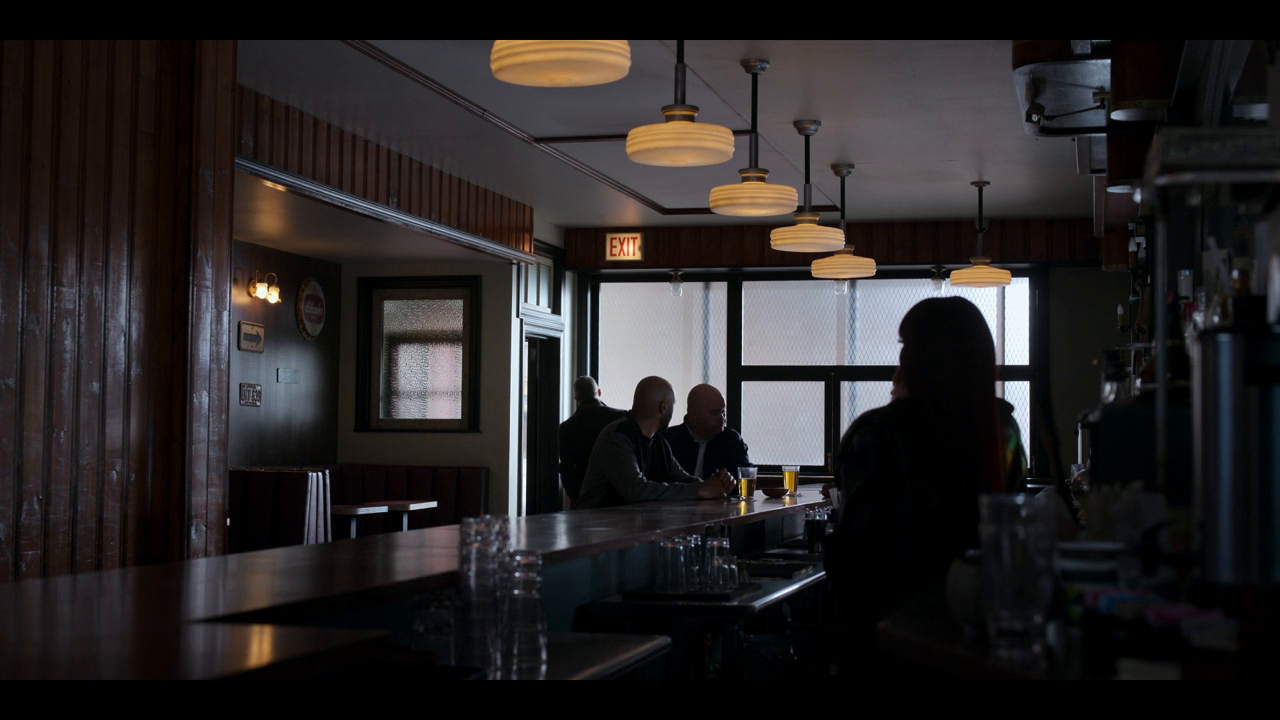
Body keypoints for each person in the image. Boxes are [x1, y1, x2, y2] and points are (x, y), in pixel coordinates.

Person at [822, 297, 1020, 676]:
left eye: (905, 346)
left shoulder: (878, 433)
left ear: (916, 359)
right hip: (977, 634)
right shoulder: (1003, 429)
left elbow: (855, 563)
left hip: (889, 640)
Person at [576, 376, 735, 509]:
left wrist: (715, 485)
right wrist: (699, 490)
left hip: (629, 527)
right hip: (594, 528)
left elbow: (681, 478)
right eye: (673, 405)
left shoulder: (658, 442)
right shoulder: (616, 437)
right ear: (663, 407)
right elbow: (636, 490)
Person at [558, 376, 627, 506]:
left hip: (586, 496)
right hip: (619, 494)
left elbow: (566, 469)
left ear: (577, 399)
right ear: (599, 392)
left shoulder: (566, 428)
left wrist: (578, 498)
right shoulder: (620, 418)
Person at [660, 384, 750, 480]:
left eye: (723, 412)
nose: (722, 419)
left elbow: (746, 474)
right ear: (693, 414)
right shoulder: (667, 440)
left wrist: (730, 480)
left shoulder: (731, 440)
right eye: (714, 413)